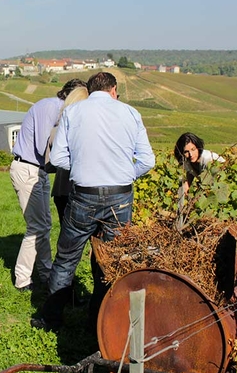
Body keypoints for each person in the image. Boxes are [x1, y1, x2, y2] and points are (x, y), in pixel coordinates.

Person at [32, 72, 155, 331]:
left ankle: (52, 318)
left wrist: (82, 168)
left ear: (90, 89)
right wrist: (123, 173)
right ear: (114, 89)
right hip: (120, 195)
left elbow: (57, 159)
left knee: (67, 257)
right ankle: (101, 319)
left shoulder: (74, 113)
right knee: (110, 258)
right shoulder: (130, 113)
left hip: (84, 194)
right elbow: (147, 161)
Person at [10, 79, 86, 291]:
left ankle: (44, 272)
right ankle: (22, 279)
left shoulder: (57, 109)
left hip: (38, 171)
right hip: (27, 168)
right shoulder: (49, 107)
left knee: (44, 225)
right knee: (36, 227)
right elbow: (44, 144)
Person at [49, 86, 89, 225]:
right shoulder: (84, 127)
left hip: (61, 188)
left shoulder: (61, 126)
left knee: (68, 239)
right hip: (79, 189)